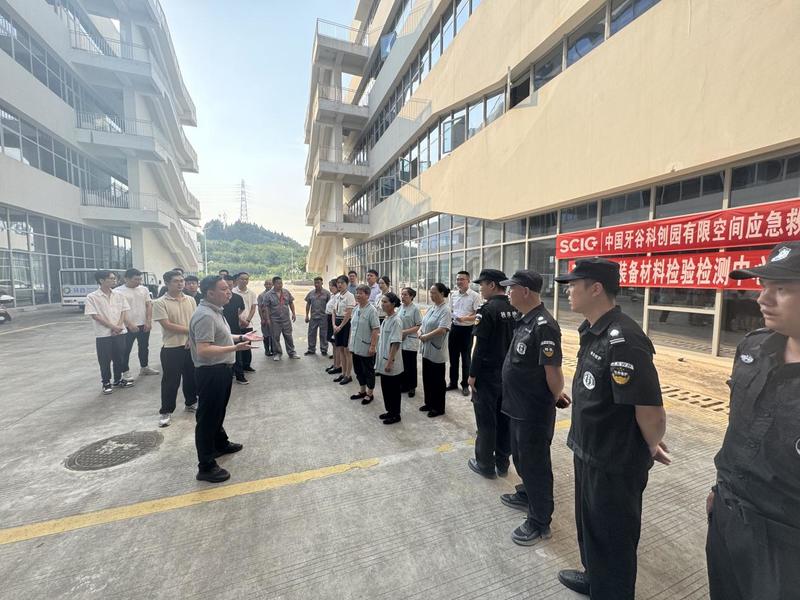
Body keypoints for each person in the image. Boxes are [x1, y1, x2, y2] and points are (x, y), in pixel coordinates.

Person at [554, 258, 670, 599]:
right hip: (588, 450)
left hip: (614, 461)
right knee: (590, 527)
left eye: (573, 285)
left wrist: (651, 443)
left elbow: (651, 411)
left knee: (613, 536)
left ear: (596, 288)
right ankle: (595, 578)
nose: (568, 291)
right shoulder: (594, 330)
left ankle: (612, 591)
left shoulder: (625, 339)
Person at [705, 242, 800, 600]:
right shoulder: (753, 348)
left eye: (782, 288)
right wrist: (720, 490)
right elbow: (740, 430)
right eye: (763, 286)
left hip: (786, 544)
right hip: (727, 516)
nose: (763, 299)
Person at [498, 270, 569, 546]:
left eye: (511, 288)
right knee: (521, 457)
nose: (508, 293)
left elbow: (553, 372)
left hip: (532, 411)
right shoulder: (524, 319)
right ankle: (527, 493)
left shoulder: (544, 325)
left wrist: (555, 394)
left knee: (535, 464)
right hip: (517, 405)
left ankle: (540, 521)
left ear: (525, 291)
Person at [189, 275, 257, 483]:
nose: (229, 292)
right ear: (210, 293)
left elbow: (222, 337)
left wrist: (241, 337)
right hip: (211, 372)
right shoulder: (205, 316)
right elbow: (203, 350)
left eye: (229, 288)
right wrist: (235, 348)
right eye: (224, 289)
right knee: (208, 418)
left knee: (218, 412)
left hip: (222, 369)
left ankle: (220, 444)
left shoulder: (215, 311)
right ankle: (206, 466)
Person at [466, 269, 517, 480]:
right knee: (504, 420)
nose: (481, 288)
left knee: (486, 421)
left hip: (487, 375)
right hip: (508, 374)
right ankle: (502, 463)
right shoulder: (515, 308)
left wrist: (472, 374)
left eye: (482, 284)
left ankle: (485, 464)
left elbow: (480, 347)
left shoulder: (486, 310)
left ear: (493, 285)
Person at [152, 270, 197, 427]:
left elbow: (195, 321)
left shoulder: (190, 300)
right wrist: (191, 332)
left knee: (191, 377)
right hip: (171, 347)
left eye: (181, 281)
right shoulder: (160, 302)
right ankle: (166, 411)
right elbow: (167, 325)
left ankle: (191, 403)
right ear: (167, 283)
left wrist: (191, 338)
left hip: (190, 345)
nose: (180, 284)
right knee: (171, 381)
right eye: (176, 281)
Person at [85, 270, 134, 394]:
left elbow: (123, 311)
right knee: (105, 359)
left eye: (114, 278)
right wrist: (112, 327)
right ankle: (106, 382)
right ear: (101, 280)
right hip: (103, 334)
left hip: (119, 332)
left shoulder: (119, 294)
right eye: (111, 278)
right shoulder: (92, 297)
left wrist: (118, 326)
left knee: (120, 357)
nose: (114, 280)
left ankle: (118, 380)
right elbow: (95, 316)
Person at [114, 268, 158, 381]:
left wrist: (148, 321)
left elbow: (148, 305)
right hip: (127, 326)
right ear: (126, 279)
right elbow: (119, 310)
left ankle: (144, 367)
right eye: (135, 279)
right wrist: (129, 324)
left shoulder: (144, 289)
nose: (138, 282)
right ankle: (125, 371)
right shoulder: (118, 291)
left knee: (144, 347)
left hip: (143, 324)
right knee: (125, 349)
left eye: (139, 279)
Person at [419, 283, 452, 418]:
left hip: (437, 350)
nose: (431, 295)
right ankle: (429, 403)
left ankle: (438, 407)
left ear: (442, 293)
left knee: (437, 380)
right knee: (427, 378)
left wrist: (426, 336)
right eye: (430, 293)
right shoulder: (432, 308)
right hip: (426, 348)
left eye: (434, 293)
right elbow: (423, 323)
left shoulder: (446, 310)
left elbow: (442, 329)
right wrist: (420, 331)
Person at [448, 270, 481, 396]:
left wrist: (465, 318)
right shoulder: (453, 295)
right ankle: (453, 382)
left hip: (467, 330)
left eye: (462, 279)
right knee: (453, 358)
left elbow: (478, 314)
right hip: (454, 329)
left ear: (468, 281)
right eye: (457, 279)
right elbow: (451, 310)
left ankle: (465, 385)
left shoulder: (475, 296)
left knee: (466, 359)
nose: (459, 281)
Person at [348, 284, 380, 404]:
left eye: (361, 293)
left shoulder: (372, 310)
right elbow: (353, 328)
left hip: (367, 347)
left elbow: (375, 329)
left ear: (367, 295)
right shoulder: (356, 309)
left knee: (368, 371)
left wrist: (372, 346)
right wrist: (350, 343)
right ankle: (362, 391)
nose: (358, 295)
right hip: (355, 346)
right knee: (358, 370)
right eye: (357, 293)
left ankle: (370, 393)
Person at [376, 292, 404, 424]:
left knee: (393, 390)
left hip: (391, 361)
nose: (382, 304)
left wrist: (390, 361)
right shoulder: (387, 318)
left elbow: (396, 343)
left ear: (393, 304)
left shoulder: (396, 321)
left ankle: (395, 414)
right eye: (382, 301)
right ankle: (389, 411)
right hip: (383, 359)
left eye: (385, 302)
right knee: (386, 388)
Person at [263, 276, 298, 360]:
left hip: (286, 319)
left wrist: (293, 313)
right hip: (274, 320)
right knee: (275, 337)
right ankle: (277, 353)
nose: (280, 285)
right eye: (278, 283)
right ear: (273, 284)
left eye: (281, 283)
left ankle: (292, 353)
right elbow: (266, 307)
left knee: (288, 337)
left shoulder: (286, 292)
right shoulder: (268, 295)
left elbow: (291, 303)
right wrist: (268, 319)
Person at [222, 275, 248, 384]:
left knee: (238, 354)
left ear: (234, 284)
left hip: (235, 329)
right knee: (223, 353)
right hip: (221, 330)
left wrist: (238, 317)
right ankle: (227, 375)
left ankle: (240, 376)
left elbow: (241, 309)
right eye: (225, 286)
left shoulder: (237, 298)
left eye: (230, 285)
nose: (228, 288)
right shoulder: (219, 299)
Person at [331, 275, 356, 384]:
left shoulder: (350, 296)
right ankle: (343, 373)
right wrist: (334, 325)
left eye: (342, 283)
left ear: (347, 284)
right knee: (340, 348)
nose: (339, 285)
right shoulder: (337, 296)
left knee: (347, 350)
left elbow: (349, 313)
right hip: (337, 323)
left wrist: (340, 326)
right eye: (338, 283)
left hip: (346, 324)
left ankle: (348, 375)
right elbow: (333, 312)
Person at [399, 287, 422, 397]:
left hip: (410, 340)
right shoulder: (400, 307)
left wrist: (405, 332)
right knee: (402, 363)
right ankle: (404, 384)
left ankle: (412, 387)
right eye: (402, 294)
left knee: (411, 365)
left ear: (411, 296)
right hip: (400, 340)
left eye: (405, 295)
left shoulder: (415, 309)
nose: (402, 297)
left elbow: (418, 325)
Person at [233, 272, 257, 373]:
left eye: (246, 279)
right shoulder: (232, 292)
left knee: (247, 345)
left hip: (247, 324)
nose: (244, 281)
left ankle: (247, 365)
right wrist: (240, 320)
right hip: (235, 323)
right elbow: (231, 310)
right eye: (242, 279)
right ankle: (237, 368)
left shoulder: (251, 293)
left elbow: (253, 308)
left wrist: (247, 321)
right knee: (236, 346)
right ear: (237, 280)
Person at [305, 277, 331, 356]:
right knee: (311, 334)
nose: (316, 284)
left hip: (324, 317)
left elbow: (330, 305)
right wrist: (306, 315)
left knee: (323, 334)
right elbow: (308, 304)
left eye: (318, 283)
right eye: (315, 283)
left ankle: (324, 349)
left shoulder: (327, 293)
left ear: (322, 283)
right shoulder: (311, 293)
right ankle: (311, 349)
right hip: (313, 317)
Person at [257, 279, 275, 357]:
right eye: (266, 284)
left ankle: (273, 349)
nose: (268, 286)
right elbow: (260, 308)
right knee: (266, 335)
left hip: (274, 318)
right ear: (264, 285)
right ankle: (267, 350)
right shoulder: (261, 295)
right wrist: (262, 319)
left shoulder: (275, 294)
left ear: (272, 285)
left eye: (270, 284)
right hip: (265, 317)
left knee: (274, 335)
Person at [324, 278, 339, 364]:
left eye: (332, 286)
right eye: (329, 285)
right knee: (332, 342)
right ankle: (335, 363)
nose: (330, 288)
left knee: (335, 342)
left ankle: (338, 364)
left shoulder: (338, 296)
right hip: (329, 317)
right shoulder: (333, 295)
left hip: (334, 318)